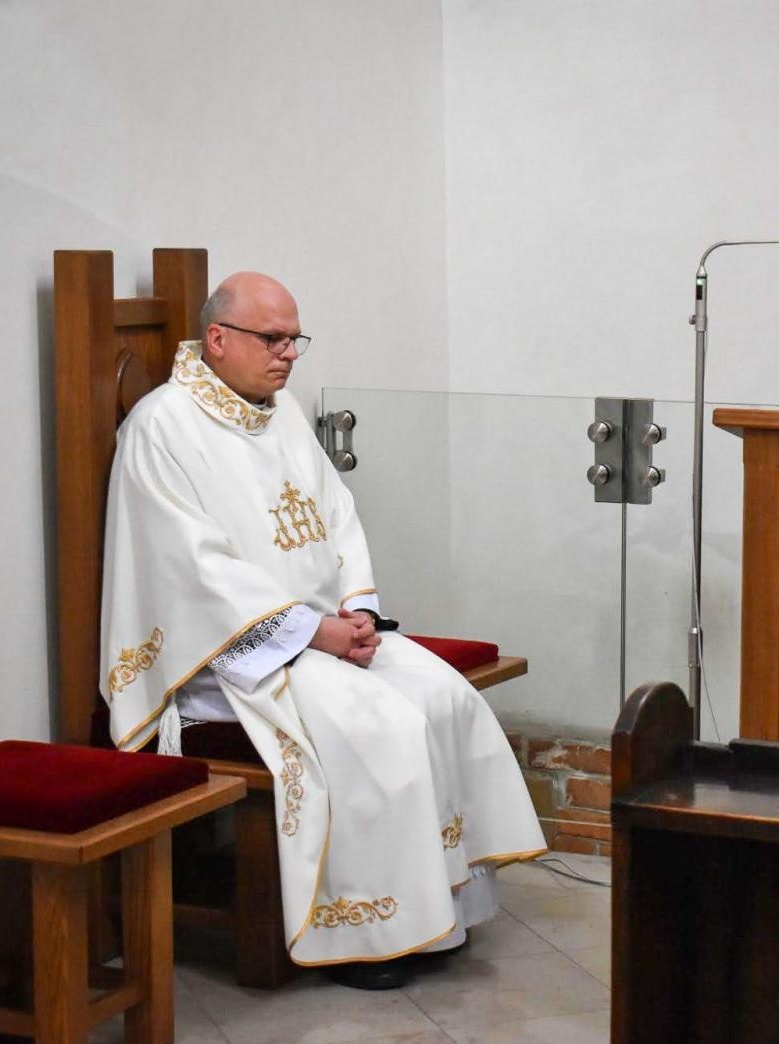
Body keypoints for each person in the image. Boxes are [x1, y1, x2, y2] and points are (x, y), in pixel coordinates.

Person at [100, 271, 546, 989]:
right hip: (232, 657)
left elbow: (337, 513)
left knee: (444, 697)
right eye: (271, 339)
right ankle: (369, 931)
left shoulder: (277, 411)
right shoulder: (161, 429)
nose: (288, 355)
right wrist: (314, 632)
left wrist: (358, 610)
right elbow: (194, 572)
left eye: (293, 339)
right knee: (381, 725)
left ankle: (444, 908)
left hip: (320, 634)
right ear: (217, 339)